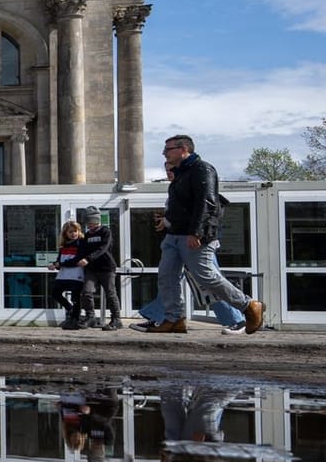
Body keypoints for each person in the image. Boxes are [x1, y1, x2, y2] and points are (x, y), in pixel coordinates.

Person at [141, 135, 263, 334]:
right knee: (166, 275)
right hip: (174, 235)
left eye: (168, 149)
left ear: (184, 149)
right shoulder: (180, 174)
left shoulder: (202, 169)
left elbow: (206, 202)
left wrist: (196, 232)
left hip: (194, 236)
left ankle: (249, 305)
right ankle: (174, 319)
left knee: (206, 276)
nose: (164, 153)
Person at [78, 207, 119, 328]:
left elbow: (103, 248)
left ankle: (116, 319)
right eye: (87, 223)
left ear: (97, 221)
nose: (89, 226)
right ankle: (90, 317)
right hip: (91, 269)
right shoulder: (86, 235)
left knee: (110, 293)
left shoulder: (105, 231)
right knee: (87, 291)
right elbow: (83, 251)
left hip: (107, 268)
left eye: (91, 223)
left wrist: (88, 259)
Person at [50, 219, 87, 329]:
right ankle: (70, 309)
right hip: (63, 275)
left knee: (76, 297)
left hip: (76, 275)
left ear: (79, 231)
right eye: (70, 232)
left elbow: (76, 260)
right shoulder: (63, 246)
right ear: (65, 233)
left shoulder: (81, 243)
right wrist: (54, 265)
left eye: (75, 231)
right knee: (55, 293)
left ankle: (75, 319)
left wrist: (60, 264)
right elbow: (59, 260)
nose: (73, 234)